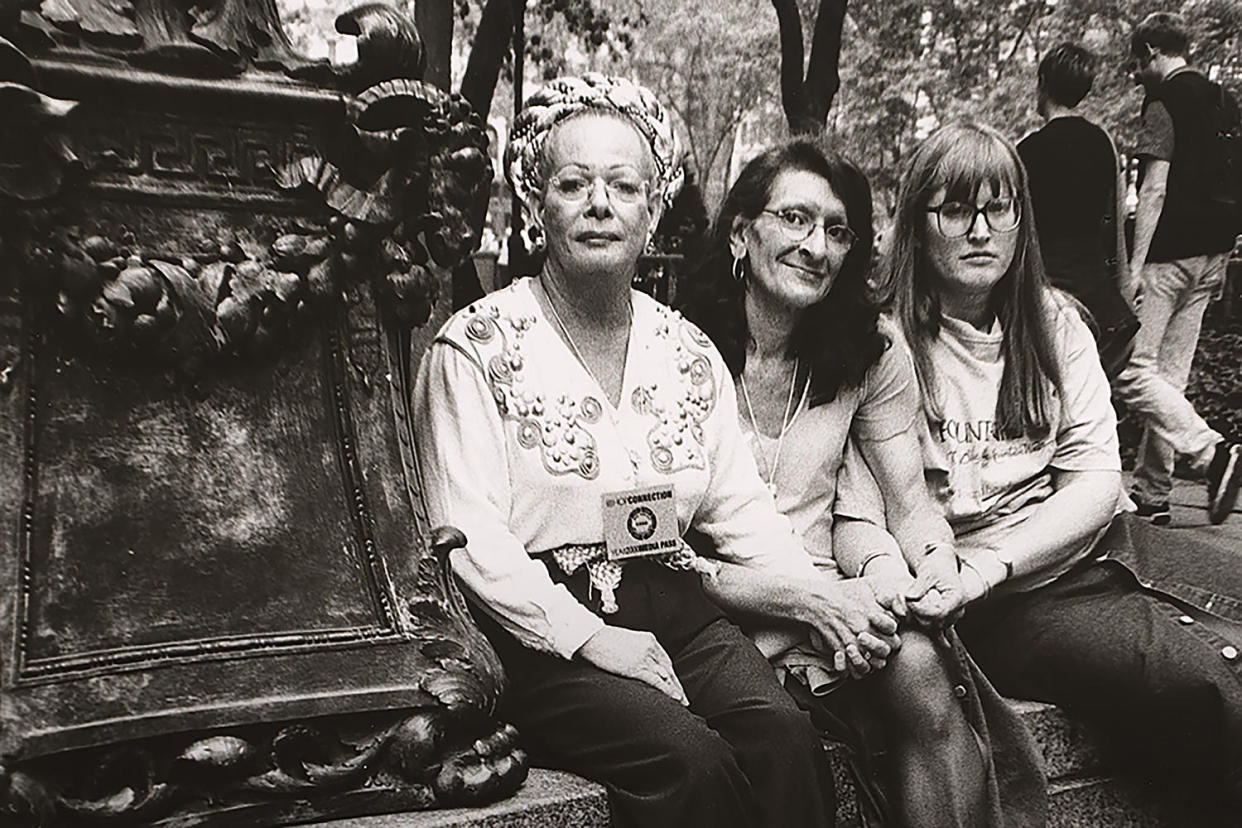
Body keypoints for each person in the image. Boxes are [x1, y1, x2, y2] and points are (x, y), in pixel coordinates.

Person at [413, 74, 902, 828]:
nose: (600, 203)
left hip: (675, 605)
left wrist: (820, 605)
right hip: (543, 632)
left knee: (783, 737)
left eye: (623, 185)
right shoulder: (475, 346)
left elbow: (742, 511)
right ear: (538, 206)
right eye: (573, 183)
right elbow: (470, 536)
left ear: (653, 208)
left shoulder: (687, 350)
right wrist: (593, 639)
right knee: (688, 762)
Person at [835, 121, 1242, 820]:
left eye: (1000, 209)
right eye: (956, 209)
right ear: (917, 223)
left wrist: (996, 561)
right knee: (1199, 683)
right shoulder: (877, 343)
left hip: (1067, 557)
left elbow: (1095, 481)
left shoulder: (1055, 324)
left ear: (1023, 220)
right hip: (984, 604)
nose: (980, 230)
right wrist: (947, 577)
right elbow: (862, 511)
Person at [678, 140, 1045, 828]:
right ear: (739, 232)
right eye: (794, 219)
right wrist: (811, 602)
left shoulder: (869, 351)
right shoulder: (672, 349)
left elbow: (907, 503)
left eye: (838, 230)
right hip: (714, 605)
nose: (816, 246)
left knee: (924, 673)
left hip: (839, 603)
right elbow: (654, 559)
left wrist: (935, 566)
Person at [1120, 12, 1242, 525]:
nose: (1135, 74)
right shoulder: (1226, 102)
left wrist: (1133, 266)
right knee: (1170, 379)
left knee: (1130, 373)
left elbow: (1154, 188)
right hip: (1214, 254)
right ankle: (1153, 494)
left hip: (1168, 257)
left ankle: (1213, 453)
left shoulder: (1164, 101)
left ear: (1151, 51)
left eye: (1136, 63)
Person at [1017, 42, 1137, 382]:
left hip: (1045, 290)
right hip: (1094, 288)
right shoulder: (1103, 143)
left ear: (1042, 82)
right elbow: (1113, 222)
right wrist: (1122, 288)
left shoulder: (1026, 151)